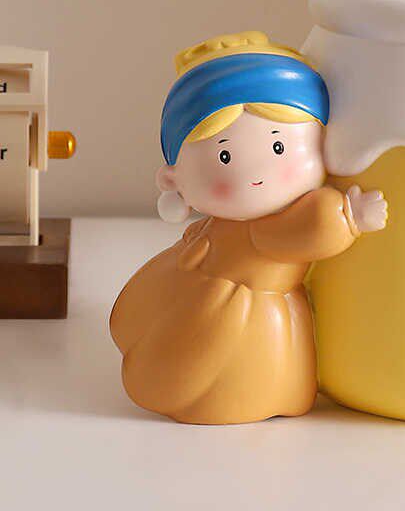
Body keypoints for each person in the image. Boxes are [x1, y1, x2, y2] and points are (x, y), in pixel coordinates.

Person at [110, 31, 387, 424]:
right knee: (248, 359)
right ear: (173, 178)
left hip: (240, 304)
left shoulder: (246, 230)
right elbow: (313, 229)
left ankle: (255, 396)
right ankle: (249, 398)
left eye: (278, 147)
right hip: (241, 315)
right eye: (224, 156)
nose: (256, 173)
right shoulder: (259, 233)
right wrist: (351, 218)